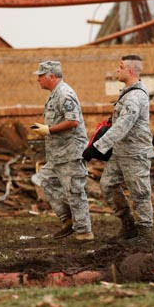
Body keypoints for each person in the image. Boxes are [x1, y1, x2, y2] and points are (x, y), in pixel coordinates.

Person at [83, 55, 154, 245]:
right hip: (121, 151)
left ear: (130, 71)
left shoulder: (135, 97)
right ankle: (128, 226)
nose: (117, 70)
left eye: (120, 67)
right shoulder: (127, 93)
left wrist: (97, 148)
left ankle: (145, 235)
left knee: (139, 192)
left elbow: (123, 126)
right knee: (107, 185)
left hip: (135, 153)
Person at [30, 60, 94, 241]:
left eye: (41, 76)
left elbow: (73, 121)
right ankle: (68, 219)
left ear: (51, 76)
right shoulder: (54, 95)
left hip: (71, 153)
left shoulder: (65, 94)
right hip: (58, 154)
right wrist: (45, 129)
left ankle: (84, 232)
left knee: (74, 191)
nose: (38, 79)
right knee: (42, 179)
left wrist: (49, 130)